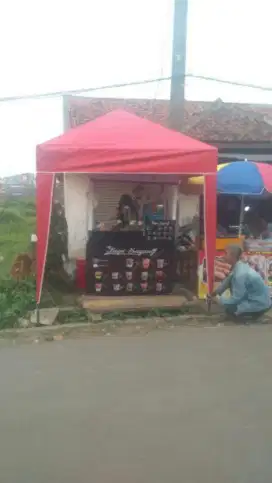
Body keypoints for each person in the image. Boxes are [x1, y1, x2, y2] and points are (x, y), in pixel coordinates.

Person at [211, 244, 271, 319]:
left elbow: (236, 299)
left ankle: (250, 316)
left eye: (226, 253)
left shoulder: (240, 274)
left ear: (233, 256)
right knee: (228, 309)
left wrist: (219, 300)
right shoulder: (239, 266)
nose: (223, 256)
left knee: (230, 310)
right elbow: (227, 282)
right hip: (260, 301)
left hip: (259, 304)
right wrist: (215, 292)